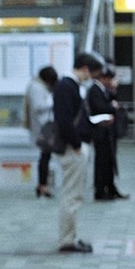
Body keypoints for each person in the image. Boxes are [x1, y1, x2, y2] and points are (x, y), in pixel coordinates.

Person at [53, 51, 105, 253]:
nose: (90, 79)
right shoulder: (67, 86)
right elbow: (65, 121)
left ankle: (70, 236)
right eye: (91, 74)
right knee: (72, 195)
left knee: (73, 194)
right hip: (72, 148)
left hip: (73, 146)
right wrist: (76, 144)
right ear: (84, 69)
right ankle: (67, 239)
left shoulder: (68, 86)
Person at [86, 66, 129, 200]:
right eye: (110, 79)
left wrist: (113, 90)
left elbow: (112, 99)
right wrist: (111, 107)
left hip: (108, 131)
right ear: (104, 78)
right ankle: (100, 190)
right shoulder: (94, 89)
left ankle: (110, 188)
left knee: (109, 161)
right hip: (100, 131)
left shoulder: (103, 89)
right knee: (101, 161)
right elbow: (99, 106)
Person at [26, 65, 58, 198]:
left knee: (45, 156)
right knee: (45, 156)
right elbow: (38, 106)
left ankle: (42, 185)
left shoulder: (36, 85)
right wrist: (52, 102)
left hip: (44, 126)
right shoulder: (37, 87)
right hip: (43, 127)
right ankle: (42, 185)